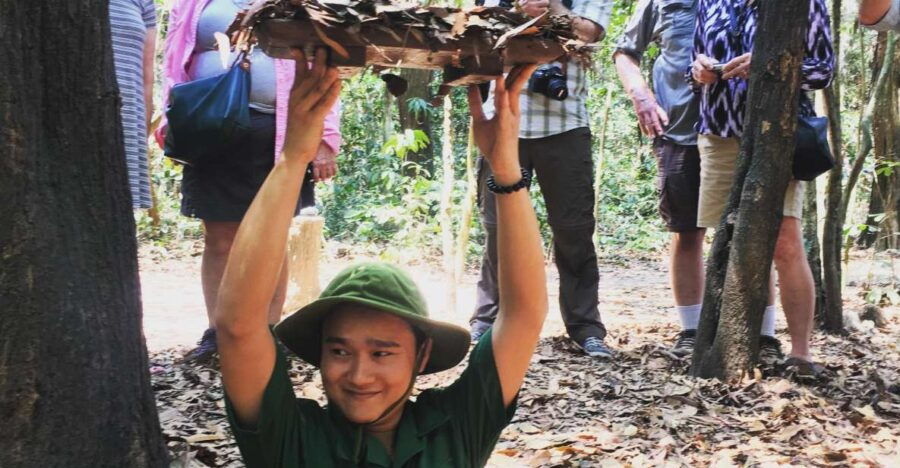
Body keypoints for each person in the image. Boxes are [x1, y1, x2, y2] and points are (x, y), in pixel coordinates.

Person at [216, 47, 548, 466]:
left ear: (422, 355)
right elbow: (238, 325)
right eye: (339, 351)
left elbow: (523, 315)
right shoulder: (292, 439)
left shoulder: (455, 426)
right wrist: (292, 160)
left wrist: (505, 171)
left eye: (382, 352)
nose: (358, 376)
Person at [158, 0, 341, 362]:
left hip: (283, 131)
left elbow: (329, 63)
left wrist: (325, 135)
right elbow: (174, 58)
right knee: (220, 237)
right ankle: (217, 334)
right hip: (212, 125)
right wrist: (170, 116)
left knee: (273, 236)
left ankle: (268, 333)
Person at [613, 0, 782, 359]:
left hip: (737, 131)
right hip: (679, 131)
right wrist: (641, 97)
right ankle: (691, 329)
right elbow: (624, 52)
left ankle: (764, 335)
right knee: (686, 231)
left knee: (750, 231)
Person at [690, 0, 834, 373]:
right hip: (718, 132)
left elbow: (823, 72)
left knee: (785, 241)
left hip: (777, 133)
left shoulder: (804, 4)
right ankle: (742, 341)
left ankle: (801, 354)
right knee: (727, 239)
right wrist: (701, 72)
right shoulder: (711, 2)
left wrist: (769, 65)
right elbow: (693, 64)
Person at [470, 0, 616, 359]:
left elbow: (588, 32)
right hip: (503, 118)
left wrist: (549, 7)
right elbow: (479, 31)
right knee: (496, 227)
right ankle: (487, 321)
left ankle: (585, 327)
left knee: (573, 229)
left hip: (564, 124)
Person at [109, 0, 157, 209]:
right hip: (62, 119)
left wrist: (142, 129)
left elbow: (147, 75)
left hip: (126, 118)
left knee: (117, 211)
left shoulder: (143, 2)